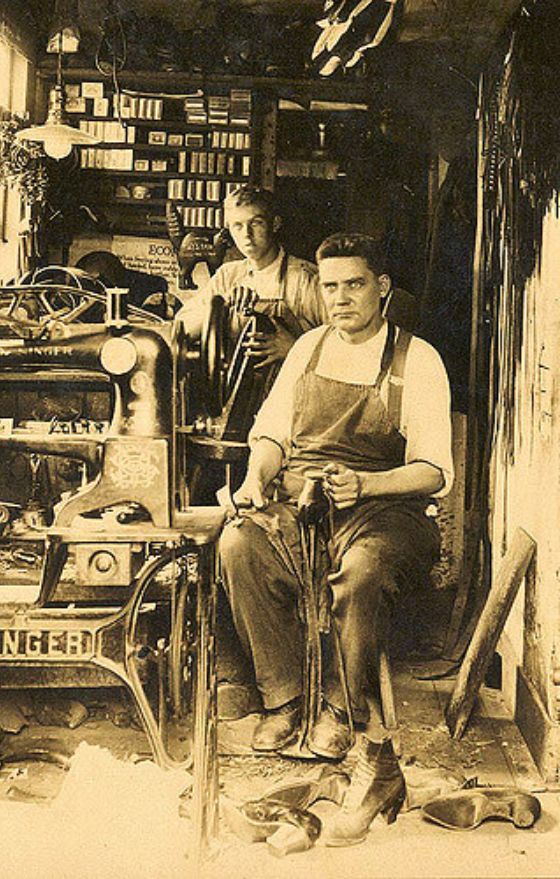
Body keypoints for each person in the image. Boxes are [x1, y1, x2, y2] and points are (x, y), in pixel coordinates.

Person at [219, 232, 453, 846]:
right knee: (239, 544)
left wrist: (369, 484)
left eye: (354, 284)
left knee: (363, 571)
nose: (341, 297)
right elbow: (270, 434)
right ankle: (284, 698)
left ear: (382, 287)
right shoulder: (305, 351)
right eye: (330, 286)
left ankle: (342, 713)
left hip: (387, 510)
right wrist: (254, 479)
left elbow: (433, 470)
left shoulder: (416, 358)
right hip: (306, 500)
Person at [178, 184, 326, 373]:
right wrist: (220, 305)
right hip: (239, 392)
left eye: (256, 223)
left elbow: (344, 345)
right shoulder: (227, 275)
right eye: (237, 226)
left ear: (275, 224)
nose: (246, 235)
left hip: (295, 388)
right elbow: (182, 330)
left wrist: (295, 349)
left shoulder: (307, 279)